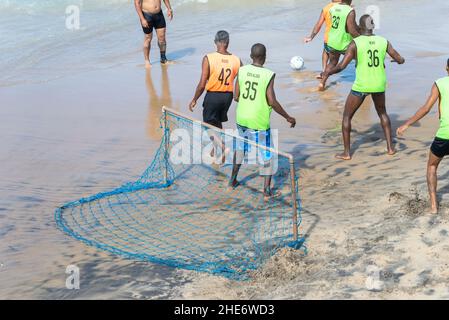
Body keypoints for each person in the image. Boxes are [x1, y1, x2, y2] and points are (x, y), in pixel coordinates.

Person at [322, 15, 405, 160]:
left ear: (360, 28)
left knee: (347, 117)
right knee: (383, 113)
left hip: (362, 85)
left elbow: (341, 66)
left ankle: (347, 153)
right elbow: (400, 59)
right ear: (373, 27)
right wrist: (398, 61)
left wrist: (327, 71)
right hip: (379, 84)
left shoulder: (355, 43)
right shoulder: (383, 41)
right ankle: (390, 148)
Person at [229, 43, 296, 200]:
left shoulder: (242, 70)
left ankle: (232, 182)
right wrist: (287, 117)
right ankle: (266, 191)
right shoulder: (268, 74)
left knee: (240, 149)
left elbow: (236, 96)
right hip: (258, 122)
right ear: (264, 58)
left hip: (242, 118)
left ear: (251, 56)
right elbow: (272, 101)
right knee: (268, 155)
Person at [397, 59, 449, 214]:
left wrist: (406, 124)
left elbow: (426, 108)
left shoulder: (440, 83)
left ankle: (433, 206)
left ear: (446, 67)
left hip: (445, 134)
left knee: (432, 166)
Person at [189, 31, 242, 162]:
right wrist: (237, 94)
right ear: (228, 42)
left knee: (207, 124)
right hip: (227, 97)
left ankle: (223, 148)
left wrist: (194, 99)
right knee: (217, 122)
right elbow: (242, 78)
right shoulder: (237, 60)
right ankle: (215, 151)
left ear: (215, 42)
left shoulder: (208, 58)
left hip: (213, 95)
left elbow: (202, 84)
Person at [319, 0, 359, 91]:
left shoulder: (333, 8)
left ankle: (322, 83)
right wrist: (362, 39)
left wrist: (359, 28)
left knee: (332, 62)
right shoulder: (350, 11)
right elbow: (352, 31)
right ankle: (364, 81)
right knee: (361, 58)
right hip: (344, 44)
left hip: (332, 41)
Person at [304, 0, 342, 78]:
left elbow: (319, 24)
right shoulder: (345, 8)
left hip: (328, 39)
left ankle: (324, 71)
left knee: (326, 51)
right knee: (334, 61)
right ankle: (325, 74)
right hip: (340, 40)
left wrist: (311, 37)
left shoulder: (326, 8)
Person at [134, 0, 173, 68]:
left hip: (159, 14)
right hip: (146, 15)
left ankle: (163, 59)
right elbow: (137, 3)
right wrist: (142, 19)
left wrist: (169, 8)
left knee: (162, 37)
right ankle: (147, 61)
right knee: (148, 38)